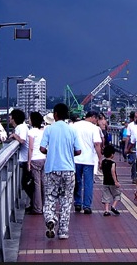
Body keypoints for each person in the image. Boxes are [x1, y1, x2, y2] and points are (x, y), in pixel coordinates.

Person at [40, 102, 81, 240]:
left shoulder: (49, 129)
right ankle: (63, 231)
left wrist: (51, 151)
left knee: (50, 197)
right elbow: (78, 150)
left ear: (55, 114)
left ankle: (50, 219)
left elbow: (42, 149)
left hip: (51, 169)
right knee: (66, 200)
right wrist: (68, 153)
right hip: (69, 169)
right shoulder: (72, 130)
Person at [72, 110, 103, 214]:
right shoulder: (94, 128)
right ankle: (87, 206)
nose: (96, 121)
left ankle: (77, 203)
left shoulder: (74, 125)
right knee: (88, 183)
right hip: (89, 160)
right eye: (96, 119)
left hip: (75, 158)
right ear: (93, 117)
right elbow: (97, 144)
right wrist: (100, 158)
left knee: (77, 182)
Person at [7, 108, 34, 208]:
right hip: (26, 158)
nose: (9, 119)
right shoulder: (22, 127)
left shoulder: (21, 127)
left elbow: (22, 140)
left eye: (10, 117)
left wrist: (14, 135)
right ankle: (34, 203)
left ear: (14, 118)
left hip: (26, 159)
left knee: (25, 183)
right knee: (27, 183)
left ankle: (35, 203)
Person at [26, 110, 46, 215]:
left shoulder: (31, 132)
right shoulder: (43, 131)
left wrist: (29, 162)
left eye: (29, 118)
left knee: (36, 184)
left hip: (35, 159)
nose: (28, 120)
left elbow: (30, 148)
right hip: (44, 158)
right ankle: (45, 206)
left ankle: (37, 208)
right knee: (43, 183)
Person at [100, 144, 121, 216]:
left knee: (106, 196)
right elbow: (113, 172)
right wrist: (116, 182)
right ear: (112, 154)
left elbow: (100, 168)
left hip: (105, 182)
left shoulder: (103, 162)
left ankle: (106, 210)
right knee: (117, 194)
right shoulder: (113, 163)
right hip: (112, 182)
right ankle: (113, 206)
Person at [125, 110, 137, 183]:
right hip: (133, 144)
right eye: (136, 117)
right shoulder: (130, 125)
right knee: (135, 161)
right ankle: (134, 177)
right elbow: (128, 137)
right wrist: (126, 148)